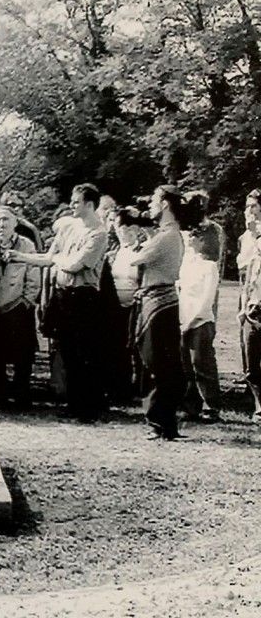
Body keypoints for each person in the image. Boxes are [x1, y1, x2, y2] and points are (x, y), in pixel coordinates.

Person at [8, 183, 108, 422]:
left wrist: (59, 259)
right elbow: (49, 258)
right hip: (63, 294)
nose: (72, 206)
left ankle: (88, 408)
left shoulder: (99, 233)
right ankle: (73, 404)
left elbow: (75, 265)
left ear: (89, 204)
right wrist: (20, 257)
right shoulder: (69, 228)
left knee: (85, 354)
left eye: (76, 202)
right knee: (67, 352)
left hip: (84, 296)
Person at [129, 185, 187, 440]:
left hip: (159, 302)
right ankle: (163, 422)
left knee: (157, 363)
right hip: (159, 301)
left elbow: (135, 259)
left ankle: (161, 420)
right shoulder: (167, 234)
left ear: (165, 204)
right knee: (160, 362)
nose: (149, 206)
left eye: (154, 200)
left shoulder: (166, 237)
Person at [0, 206, 40, 408]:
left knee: (22, 355)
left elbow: (33, 275)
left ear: (15, 222)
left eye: (6, 220)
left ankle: (21, 394)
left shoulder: (26, 246)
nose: (2, 224)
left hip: (18, 306)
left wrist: (27, 301)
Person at [178, 231, 222, 423]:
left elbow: (207, 298)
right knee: (186, 366)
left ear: (202, 240)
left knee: (202, 365)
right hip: (183, 320)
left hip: (201, 322)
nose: (189, 239)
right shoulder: (187, 264)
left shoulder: (209, 266)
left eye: (193, 236)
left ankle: (211, 406)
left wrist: (192, 321)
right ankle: (191, 406)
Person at [107, 208, 145, 403]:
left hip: (136, 305)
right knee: (117, 347)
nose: (126, 231)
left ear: (138, 229)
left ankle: (139, 388)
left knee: (136, 347)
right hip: (116, 306)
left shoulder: (143, 251)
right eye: (122, 226)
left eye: (131, 227)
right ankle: (118, 388)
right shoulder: (114, 253)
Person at [239, 225, 261, 422]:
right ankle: (259, 404)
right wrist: (244, 309)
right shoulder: (254, 262)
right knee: (251, 365)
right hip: (253, 312)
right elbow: (247, 286)